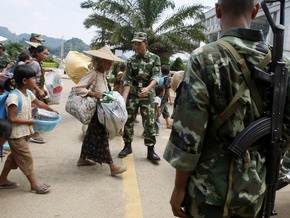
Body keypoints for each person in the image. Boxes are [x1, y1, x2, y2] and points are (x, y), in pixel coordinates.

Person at [163, 0, 290, 217]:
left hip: (209, 190)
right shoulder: (281, 63)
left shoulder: (203, 58)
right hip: (255, 188)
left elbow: (189, 135)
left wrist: (179, 188)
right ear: (255, 10)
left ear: (218, 10)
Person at [0, 64, 56, 193]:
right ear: (24, 80)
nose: (35, 81)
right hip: (15, 134)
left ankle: (2, 180)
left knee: (14, 157)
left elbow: (39, 103)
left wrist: (50, 109)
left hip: (24, 133)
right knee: (26, 158)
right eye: (33, 78)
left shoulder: (28, 93)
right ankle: (34, 184)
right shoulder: (14, 97)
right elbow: (11, 119)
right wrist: (30, 121)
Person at [75, 45, 127, 176]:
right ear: (101, 61)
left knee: (90, 136)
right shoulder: (93, 73)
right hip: (96, 113)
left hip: (100, 112)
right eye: (108, 62)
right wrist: (93, 94)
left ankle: (82, 159)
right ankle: (112, 166)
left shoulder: (102, 75)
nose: (110, 65)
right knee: (102, 138)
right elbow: (78, 88)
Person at [118, 32, 161, 162]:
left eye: (139, 44)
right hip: (133, 93)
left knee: (149, 121)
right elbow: (128, 80)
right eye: (135, 44)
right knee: (129, 119)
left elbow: (156, 77)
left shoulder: (154, 58)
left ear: (146, 43)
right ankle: (127, 146)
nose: (137, 46)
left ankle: (151, 150)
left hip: (148, 93)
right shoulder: (131, 60)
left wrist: (147, 89)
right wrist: (124, 98)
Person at [28, 45, 51, 143]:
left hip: (35, 91)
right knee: (34, 112)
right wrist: (38, 90)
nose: (46, 55)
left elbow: (37, 78)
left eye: (47, 54)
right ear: (37, 53)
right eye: (44, 53)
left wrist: (42, 89)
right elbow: (30, 79)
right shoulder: (35, 64)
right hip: (31, 91)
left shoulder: (38, 63)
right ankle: (34, 133)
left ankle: (33, 131)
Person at [158, 65, 172, 129]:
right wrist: (170, 99)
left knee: (165, 110)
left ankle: (168, 124)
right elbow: (167, 89)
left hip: (158, 96)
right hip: (163, 97)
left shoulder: (159, 77)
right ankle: (151, 126)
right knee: (158, 111)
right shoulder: (167, 79)